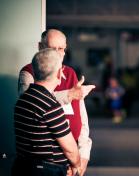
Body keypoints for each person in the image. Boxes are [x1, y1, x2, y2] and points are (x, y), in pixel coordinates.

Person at [18, 29, 95, 176]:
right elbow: (32, 100)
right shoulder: (28, 72)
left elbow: (82, 119)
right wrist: (68, 94)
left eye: (61, 49)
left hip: (69, 160)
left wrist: (83, 156)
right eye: (52, 49)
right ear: (40, 47)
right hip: (47, 163)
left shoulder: (70, 73)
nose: (57, 54)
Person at [12, 49, 81, 176]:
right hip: (45, 171)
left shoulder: (22, 100)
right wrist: (77, 165)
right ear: (59, 74)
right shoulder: (51, 106)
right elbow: (70, 149)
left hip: (22, 167)